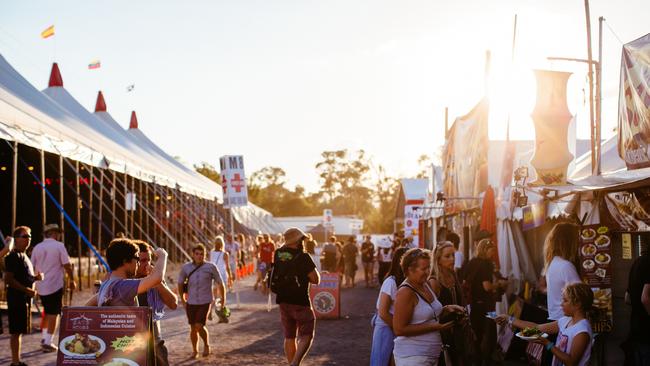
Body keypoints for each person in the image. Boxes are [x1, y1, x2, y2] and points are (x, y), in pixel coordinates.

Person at [392, 248, 464, 365]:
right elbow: (399, 329)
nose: (427, 272)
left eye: (428, 267)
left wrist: (446, 309)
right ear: (410, 269)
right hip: (413, 357)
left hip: (430, 355)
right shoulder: (405, 292)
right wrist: (436, 327)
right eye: (423, 269)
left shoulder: (425, 284)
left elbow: (428, 313)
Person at [496, 282, 594, 366]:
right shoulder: (566, 320)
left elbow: (571, 362)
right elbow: (537, 328)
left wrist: (547, 343)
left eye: (565, 300)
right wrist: (509, 318)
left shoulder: (582, 330)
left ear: (577, 304)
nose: (561, 304)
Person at [272, 227, 320, 366]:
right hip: (300, 301)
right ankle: (295, 363)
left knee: (289, 336)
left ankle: (291, 363)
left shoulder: (278, 254)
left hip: (283, 300)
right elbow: (315, 279)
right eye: (302, 240)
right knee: (306, 335)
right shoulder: (303, 257)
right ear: (298, 241)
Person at [30, 223, 76, 352]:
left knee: (47, 311)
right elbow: (67, 265)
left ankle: (45, 338)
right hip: (54, 284)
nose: (59, 235)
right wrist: (72, 280)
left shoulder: (37, 247)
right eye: (58, 233)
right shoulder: (59, 246)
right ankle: (48, 342)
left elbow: (31, 267)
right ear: (54, 233)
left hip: (41, 285)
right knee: (54, 313)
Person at [85, 238, 168, 307]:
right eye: (136, 258)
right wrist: (163, 256)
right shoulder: (124, 286)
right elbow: (157, 278)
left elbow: (85, 307)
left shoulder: (106, 286)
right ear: (125, 261)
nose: (138, 263)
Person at [463, 238, 507, 365]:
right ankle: (487, 360)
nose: (492, 252)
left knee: (476, 333)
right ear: (484, 249)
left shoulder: (472, 262)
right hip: (487, 305)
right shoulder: (485, 264)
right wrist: (499, 284)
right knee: (490, 332)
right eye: (490, 250)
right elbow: (487, 286)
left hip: (474, 304)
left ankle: (476, 358)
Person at [178, 243, 226, 359]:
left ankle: (206, 345)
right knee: (193, 327)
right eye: (197, 254)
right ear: (193, 255)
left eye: (202, 254)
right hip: (191, 301)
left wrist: (223, 299)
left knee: (199, 325)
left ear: (205, 255)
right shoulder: (186, 267)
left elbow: (220, 283)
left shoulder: (211, 267)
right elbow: (180, 283)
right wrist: (182, 299)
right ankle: (195, 350)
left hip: (205, 301)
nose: (199, 256)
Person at [133, 240, 178, 366]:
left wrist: (157, 282)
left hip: (155, 342)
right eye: (142, 261)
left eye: (149, 260)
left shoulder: (155, 279)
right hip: (132, 345)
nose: (147, 264)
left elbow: (173, 304)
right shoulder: (126, 282)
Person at [4, 226, 42, 366]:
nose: (28, 239)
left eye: (30, 237)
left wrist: (35, 278)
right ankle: (14, 362)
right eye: (25, 236)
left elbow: (24, 276)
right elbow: (9, 279)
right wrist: (27, 290)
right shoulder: (14, 256)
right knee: (15, 331)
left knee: (19, 331)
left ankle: (17, 361)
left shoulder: (24, 255)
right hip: (16, 298)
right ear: (17, 239)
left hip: (23, 299)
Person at [429, 241, 468, 366]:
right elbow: (431, 314)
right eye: (447, 256)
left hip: (459, 331)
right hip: (444, 334)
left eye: (453, 255)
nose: (452, 259)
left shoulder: (453, 275)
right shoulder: (434, 281)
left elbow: (462, 300)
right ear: (438, 259)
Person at [370, 247, 408, 366]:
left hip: (396, 326)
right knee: (381, 360)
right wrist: (399, 327)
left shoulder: (406, 282)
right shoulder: (391, 282)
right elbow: (383, 312)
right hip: (386, 326)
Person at [544, 223, 581, 321]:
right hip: (565, 321)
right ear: (570, 242)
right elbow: (581, 296)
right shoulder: (566, 266)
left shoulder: (552, 263)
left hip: (556, 320)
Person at [624, 243, 650, 364]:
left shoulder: (637, 262)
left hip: (636, 327)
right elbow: (645, 298)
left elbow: (627, 298)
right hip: (647, 329)